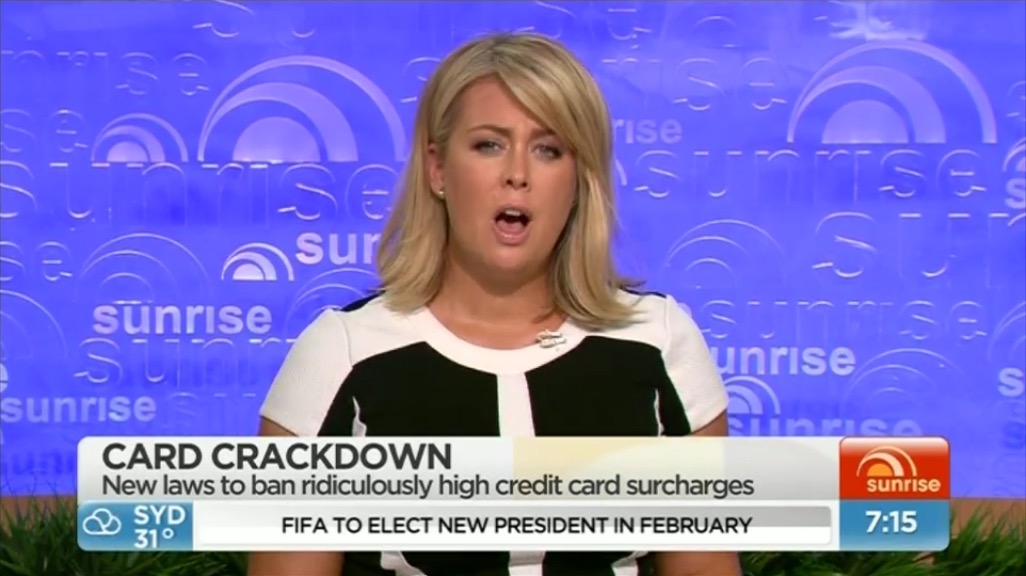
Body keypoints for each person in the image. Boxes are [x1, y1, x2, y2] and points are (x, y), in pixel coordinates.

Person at [247, 31, 739, 576]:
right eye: (489, 145)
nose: (517, 175)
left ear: (580, 179)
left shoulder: (657, 342)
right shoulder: (342, 354)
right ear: (437, 168)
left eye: (549, 149)